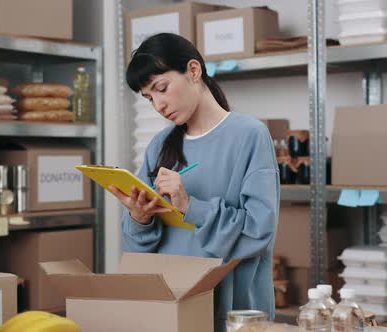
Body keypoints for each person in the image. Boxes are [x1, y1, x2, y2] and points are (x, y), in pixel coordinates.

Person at [109, 33, 279, 331]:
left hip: (234, 314)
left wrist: (189, 206)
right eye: (149, 98)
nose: (159, 105)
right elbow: (138, 248)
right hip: (175, 307)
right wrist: (139, 218)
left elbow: (258, 232)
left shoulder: (249, 135)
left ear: (193, 71)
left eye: (161, 88)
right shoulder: (161, 146)